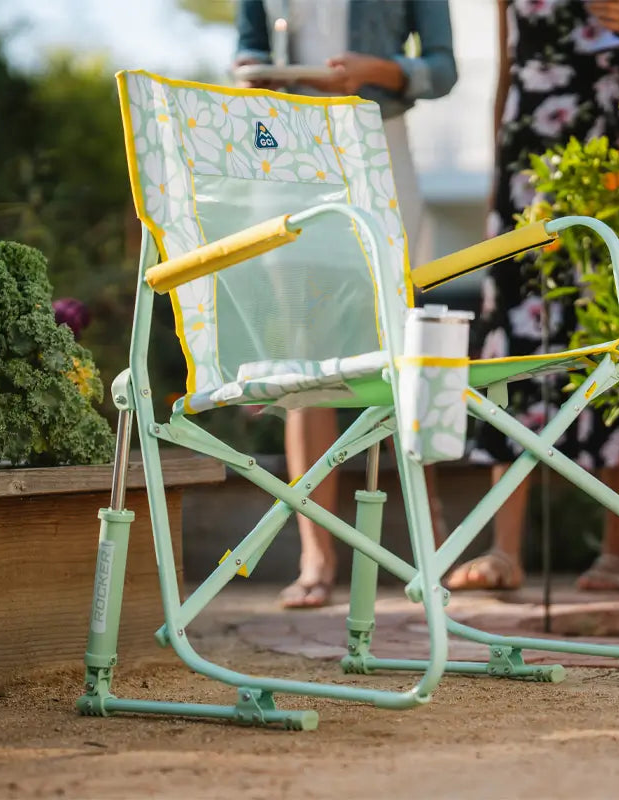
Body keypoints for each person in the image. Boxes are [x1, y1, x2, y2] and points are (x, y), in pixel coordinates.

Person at [446, 0, 619, 593]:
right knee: (512, 342)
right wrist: (496, 178)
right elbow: (508, 72)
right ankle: (504, 551)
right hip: (524, 167)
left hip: (610, 159)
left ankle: (618, 552)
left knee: (615, 338)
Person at [234, 0, 458, 608]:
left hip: (381, 149)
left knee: (400, 345)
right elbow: (246, 51)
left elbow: (443, 68)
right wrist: (258, 72)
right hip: (291, 150)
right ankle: (317, 553)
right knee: (305, 355)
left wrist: (375, 71)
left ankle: (429, 541)